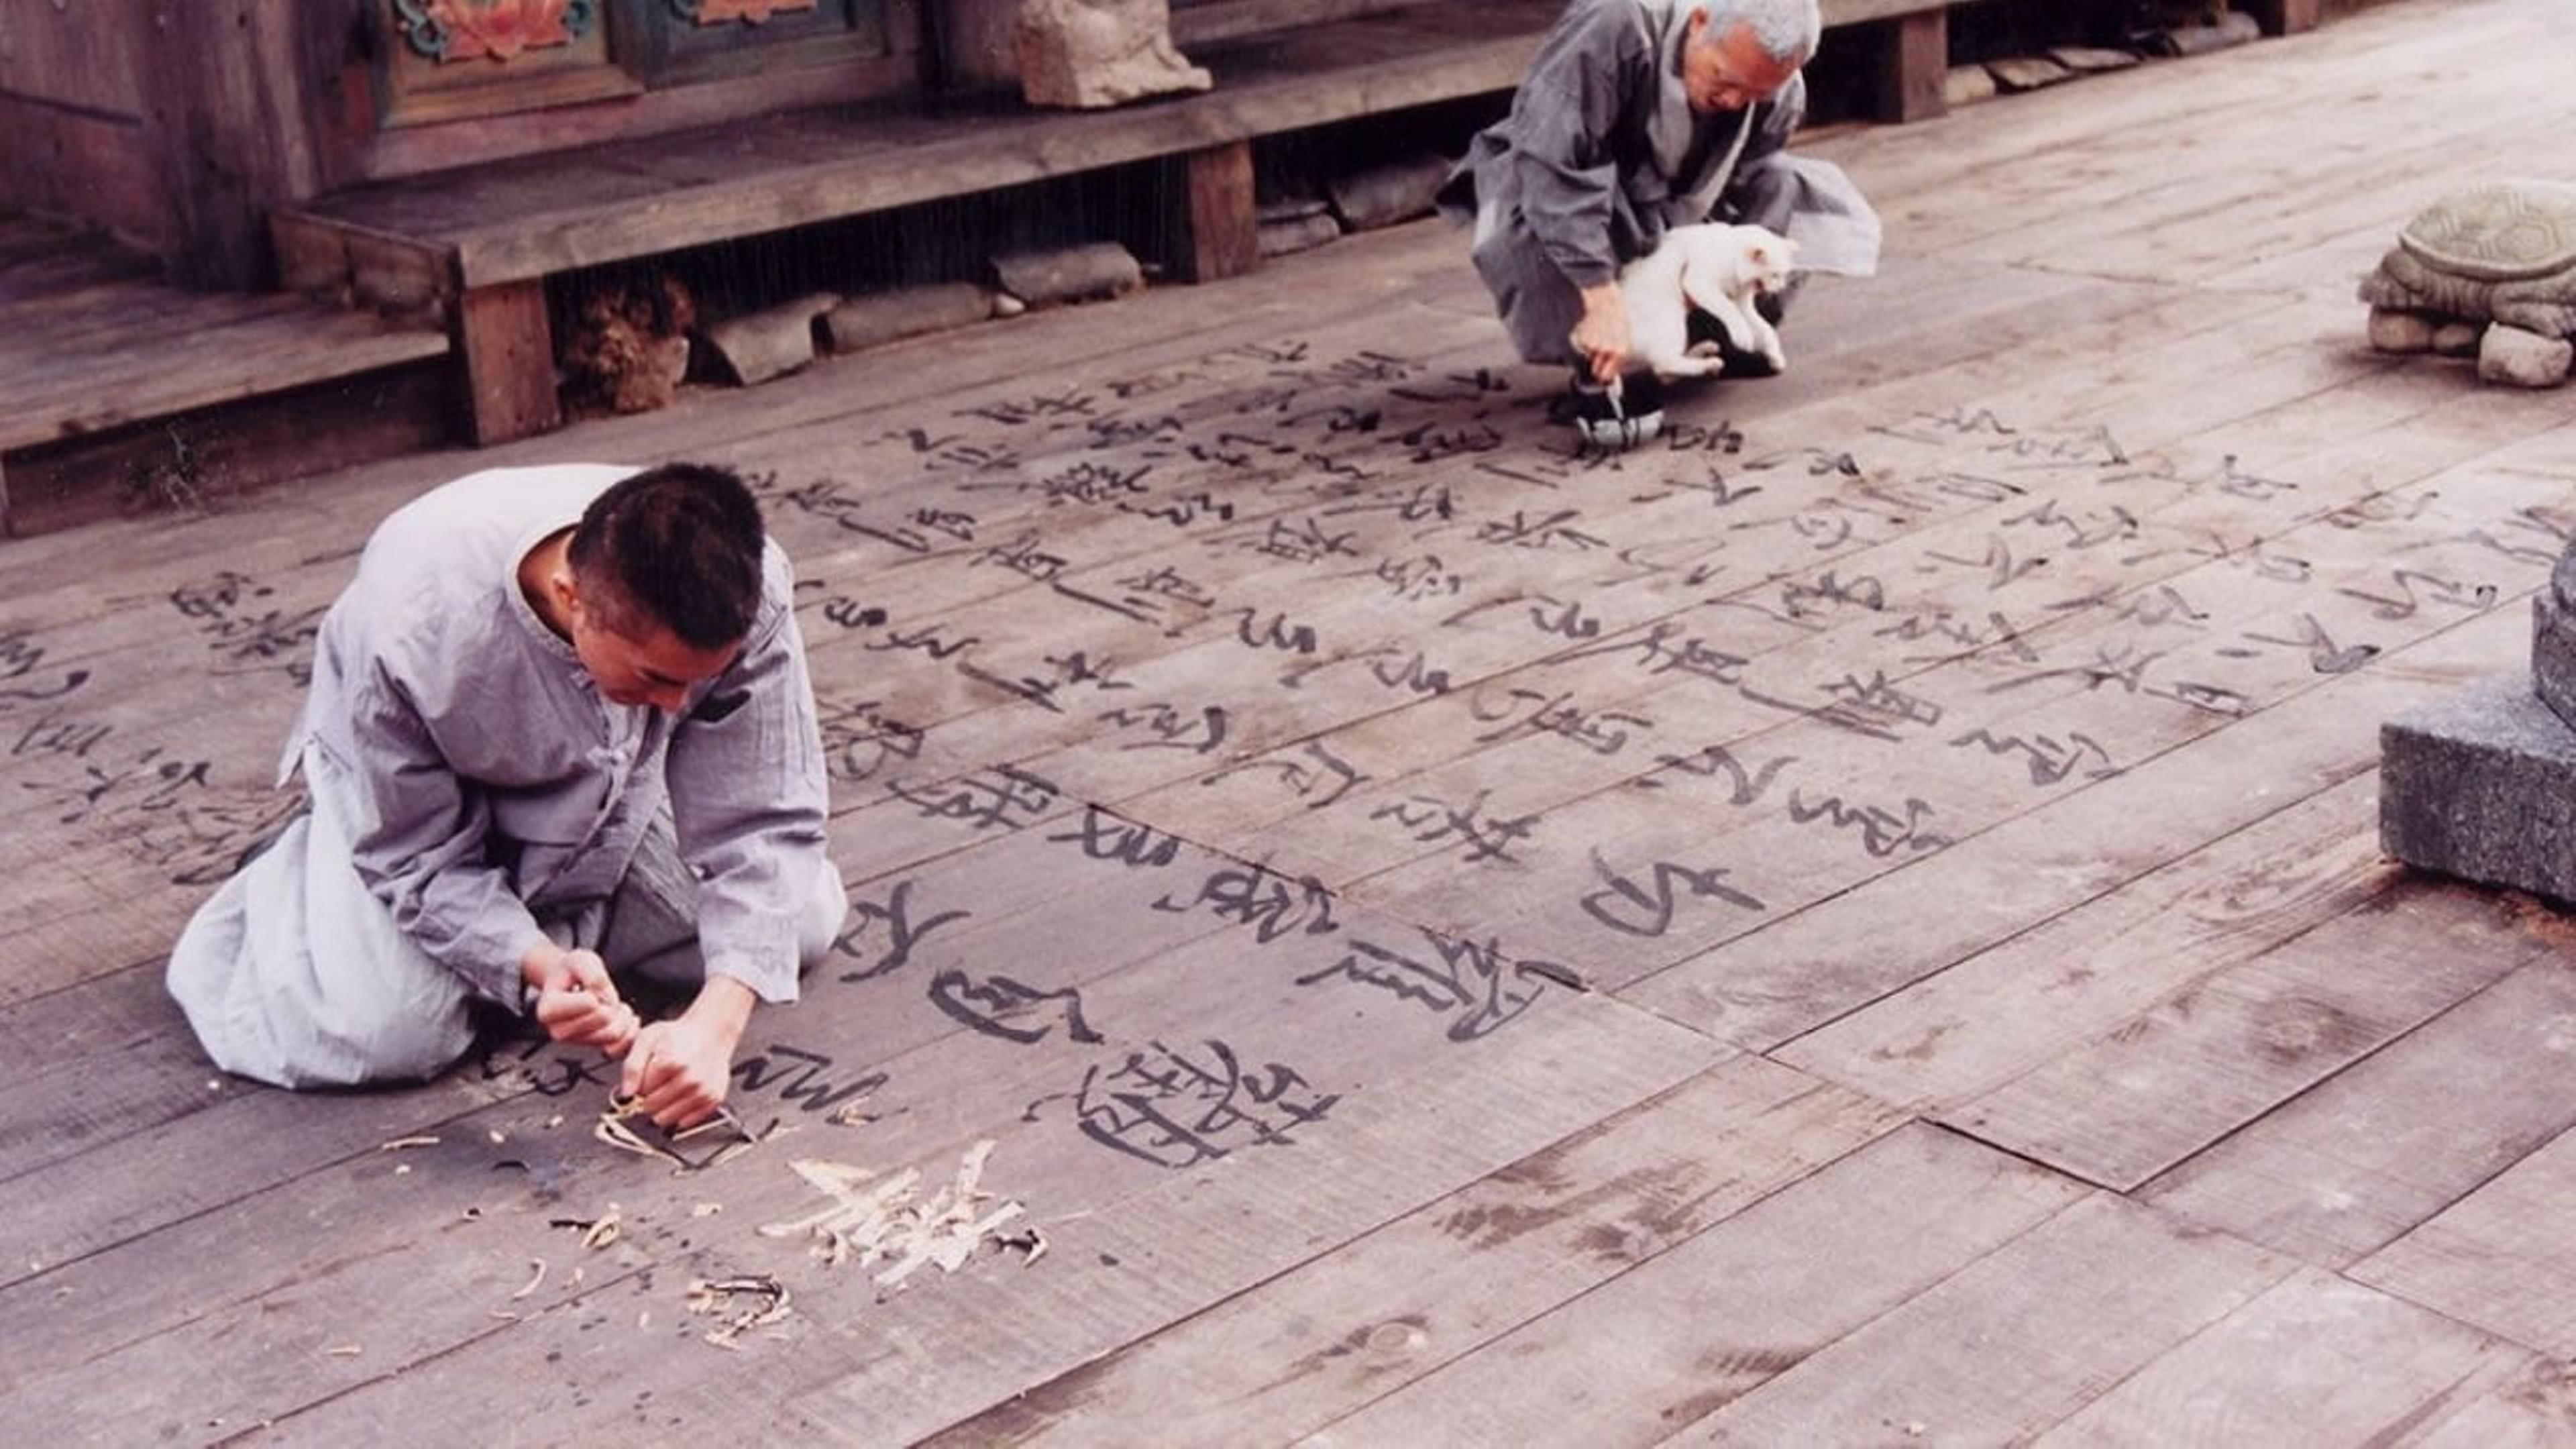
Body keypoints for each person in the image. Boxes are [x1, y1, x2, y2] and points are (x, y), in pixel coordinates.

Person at [167, 462, 848, 1129]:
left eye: (695, 682)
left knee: (803, 919)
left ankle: (541, 922)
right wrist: (533, 962)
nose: (678, 705)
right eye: (654, 678)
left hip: (607, 798)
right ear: (571, 596)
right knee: (391, 1031)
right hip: (421, 813)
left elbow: (765, 815)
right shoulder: (409, 625)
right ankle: (305, 872)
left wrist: (712, 1027)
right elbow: (416, 852)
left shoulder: (746, 583)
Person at [1437, 0, 1882, 447]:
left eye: (1753, 94)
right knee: (1561, 240)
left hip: (1678, 206)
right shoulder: (1616, 23)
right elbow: (1553, 163)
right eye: (1724, 79)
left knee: (1782, 184)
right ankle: (1609, 366)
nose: (1732, 101)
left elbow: (1750, 166)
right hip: (1571, 182)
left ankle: (1710, 338)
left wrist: (1700, 261)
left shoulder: (1777, 84)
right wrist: (1600, 293)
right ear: (1700, 21)